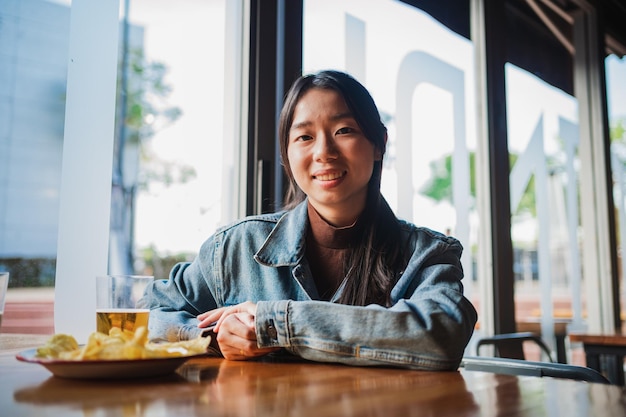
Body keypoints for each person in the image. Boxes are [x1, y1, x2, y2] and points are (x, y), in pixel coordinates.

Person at [139, 70, 477, 370]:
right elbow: (142, 317)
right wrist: (214, 336)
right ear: (287, 154)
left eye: (344, 130)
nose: (324, 152)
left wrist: (274, 323)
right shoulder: (235, 248)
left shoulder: (427, 253)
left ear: (379, 144)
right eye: (304, 137)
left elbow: (442, 334)